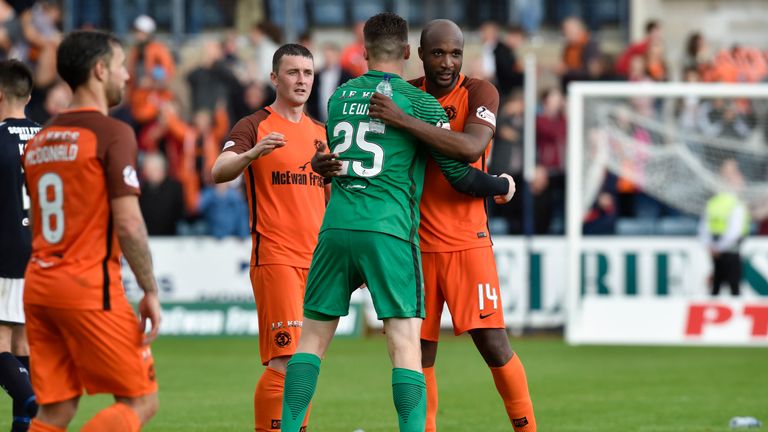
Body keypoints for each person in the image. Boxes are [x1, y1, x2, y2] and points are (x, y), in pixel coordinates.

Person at [282, 13, 516, 432]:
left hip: (335, 227)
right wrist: (501, 184)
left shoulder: (338, 97)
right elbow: (459, 172)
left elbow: (337, 159)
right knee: (407, 346)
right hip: (389, 231)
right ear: (410, 52)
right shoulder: (420, 102)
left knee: (311, 341)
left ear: (364, 51)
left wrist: (321, 165)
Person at [361, 19, 537, 431]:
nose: (447, 62)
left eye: (455, 53)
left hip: (467, 242)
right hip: (414, 246)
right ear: (420, 54)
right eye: (438, 53)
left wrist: (405, 121)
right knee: (418, 354)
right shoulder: (405, 94)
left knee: (494, 345)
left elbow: (471, 147)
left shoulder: (479, 92)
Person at [22, 30, 160, 432]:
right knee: (141, 401)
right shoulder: (112, 133)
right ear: (100, 70)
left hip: (40, 286)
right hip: (88, 287)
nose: (127, 76)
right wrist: (150, 290)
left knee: (56, 410)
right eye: (121, 66)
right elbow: (129, 222)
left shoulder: (39, 140)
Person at [211, 43, 327, 432]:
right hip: (276, 258)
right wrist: (252, 154)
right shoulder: (254, 126)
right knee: (285, 360)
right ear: (274, 77)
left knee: (305, 363)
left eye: (307, 73)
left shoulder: (321, 133)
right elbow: (218, 170)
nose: (301, 80)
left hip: (318, 264)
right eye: (293, 72)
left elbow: (332, 200)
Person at [0, 59, 41, 432]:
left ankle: (31, 396)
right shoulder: (48, 137)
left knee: (1, 343)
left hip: (5, 249)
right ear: (27, 96)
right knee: (22, 343)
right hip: (41, 251)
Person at [699, 159, 750, 296]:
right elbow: (733, 231)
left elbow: (704, 229)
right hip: (727, 248)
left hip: (721, 248)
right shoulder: (734, 203)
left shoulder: (715, 202)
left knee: (720, 285)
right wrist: (717, 247)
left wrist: (713, 247)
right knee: (731, 285)